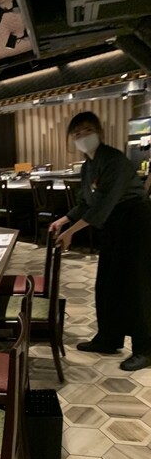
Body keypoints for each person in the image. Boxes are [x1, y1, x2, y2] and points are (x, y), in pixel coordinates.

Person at [49, 111, 151, 371]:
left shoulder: (114, 160)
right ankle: (109, 338)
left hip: (135, 223)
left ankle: (145, 349)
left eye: (87, 130)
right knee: (106, 284)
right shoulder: (87, 166)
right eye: (77, 133)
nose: (83, 136)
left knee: (135, 287)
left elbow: (104, 204)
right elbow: (86, 203)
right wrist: (64, 221)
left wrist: (71, 232)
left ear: (99, 132)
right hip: (113, 226)